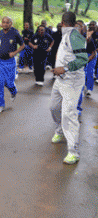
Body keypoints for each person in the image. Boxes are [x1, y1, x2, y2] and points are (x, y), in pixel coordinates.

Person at [50, 11, 88, 165]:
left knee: (69, 114)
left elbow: (83, 59)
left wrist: (64, 68)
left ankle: (73, 151)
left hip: (71, 81)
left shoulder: (74, 35)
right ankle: (60, 131)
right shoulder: (66, 35)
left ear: (63, 22)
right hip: (60, 80)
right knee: (53, 107)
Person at [0, 16, 25, 113]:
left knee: (9, 83)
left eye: (7, 22)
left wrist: (15, 53)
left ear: (10, 24)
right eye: (3, 22)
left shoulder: (15, 34)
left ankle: (13, 91)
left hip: (10, 63)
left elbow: (22, 45)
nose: (5, 24)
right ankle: (0, 104)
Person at [85, 21, 98, 92]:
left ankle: (89, 89)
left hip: (93, 54)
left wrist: (95, 51)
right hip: (84, 54)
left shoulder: (97, 34)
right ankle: (83, 85)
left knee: (90, 72)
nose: (91, 26)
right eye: (90, 25)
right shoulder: (85, 33)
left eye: (93, 25)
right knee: (84, 71)